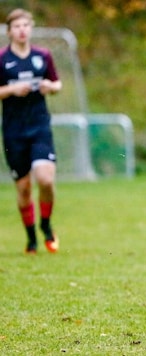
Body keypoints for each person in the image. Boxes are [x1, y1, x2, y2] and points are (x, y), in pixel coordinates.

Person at [0, 8, 62, 254]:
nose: (22, 30)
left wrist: (50, 86)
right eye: (17, 26)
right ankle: (31, 239)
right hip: (14, 131)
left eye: (26, 25)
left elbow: (57, 83)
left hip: (39, 127)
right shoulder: (2, 60)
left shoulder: (43, 56)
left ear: (31, 28)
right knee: (24, 188)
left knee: (46, 179)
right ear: (10, 31)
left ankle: (46, 226)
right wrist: (11, 91)